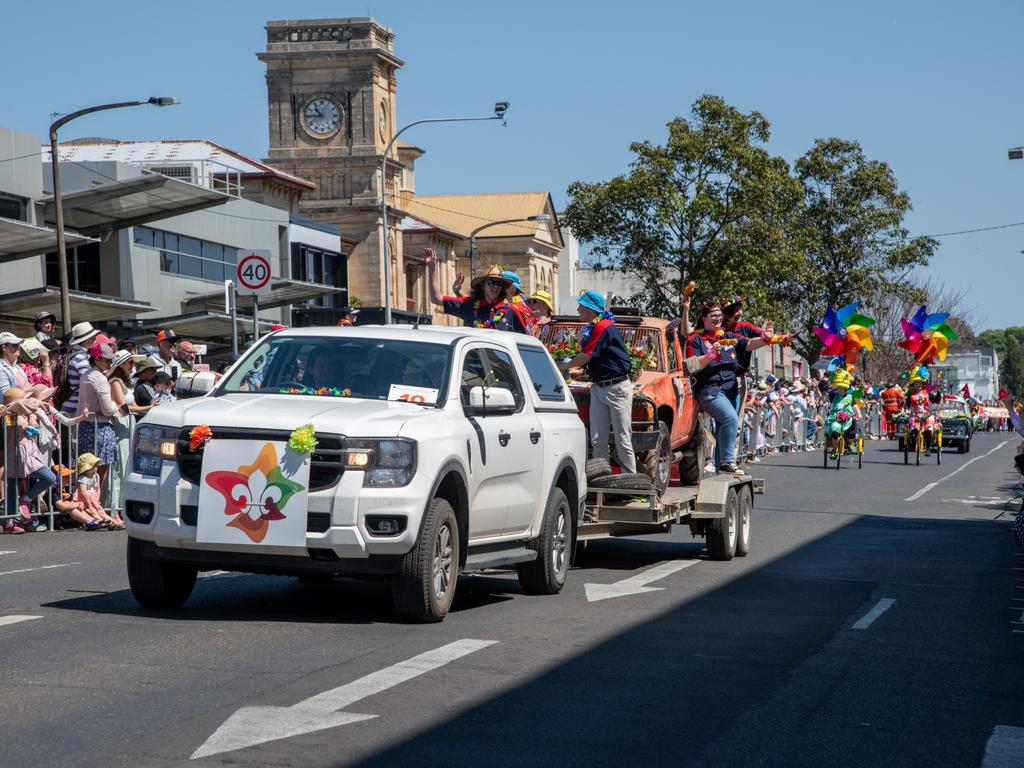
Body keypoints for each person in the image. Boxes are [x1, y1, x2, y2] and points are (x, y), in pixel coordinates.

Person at [557, 290, 637, 473]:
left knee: (622, 440)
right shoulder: (596, 327)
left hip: (616, 388)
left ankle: (631, 484)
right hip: (600, 387)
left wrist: (560, 366)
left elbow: (586, 356)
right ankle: (602, 479)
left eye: (581, 306)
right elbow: (596, 359)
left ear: (591, 309)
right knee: (597, 439)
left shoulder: (603, 326)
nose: (578, 309)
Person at [685, 301, 770, 474]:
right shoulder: (696, 338)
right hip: (710, 390)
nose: (717, 319)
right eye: (713, 315)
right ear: (704, 318)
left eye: (719, 315)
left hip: (731, 388)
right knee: (730, 419)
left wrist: (766, 339)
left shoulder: (728, 335)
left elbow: (748, 343)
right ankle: (727, 462)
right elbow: (690, 366)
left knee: (725, 426)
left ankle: (720, 469)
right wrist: (710, 355)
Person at [424, 247, 512, 328]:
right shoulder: (468, 305)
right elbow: (436, 298)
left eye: (499, 283)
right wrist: (432, 269)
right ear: (482, 285)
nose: (496, 286)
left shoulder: (511, 310)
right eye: (491, 282)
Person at [76, 341, 120, 491]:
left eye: (111, 360)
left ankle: (87, 504)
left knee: (86, 472)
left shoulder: (86, 375)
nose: (110, 363)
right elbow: (108, 410)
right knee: (97, 474)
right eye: (107, 360)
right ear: (97, 359)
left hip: (85, 427)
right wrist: (117, 405)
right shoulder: (99, 378)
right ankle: (93, 504)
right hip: (100, 428)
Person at [61, 321, 101, 416]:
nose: (95, 338)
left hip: (73, 407)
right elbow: (90, 381)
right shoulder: (81, 358)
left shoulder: (76, 355)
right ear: (89, 338)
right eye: (93, 336)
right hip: (75, 409)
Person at [74, 452, 122, 529]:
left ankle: (114, 523)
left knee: (101, 511)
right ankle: (103, 522)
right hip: (84, 501)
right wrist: (89, 505)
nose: (97, 465)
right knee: (93, 512)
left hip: (93, 500)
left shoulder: (96, 476)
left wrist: (96, 502)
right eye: (94, 464)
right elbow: (84, 493)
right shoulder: (83, 479)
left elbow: (98, 490)